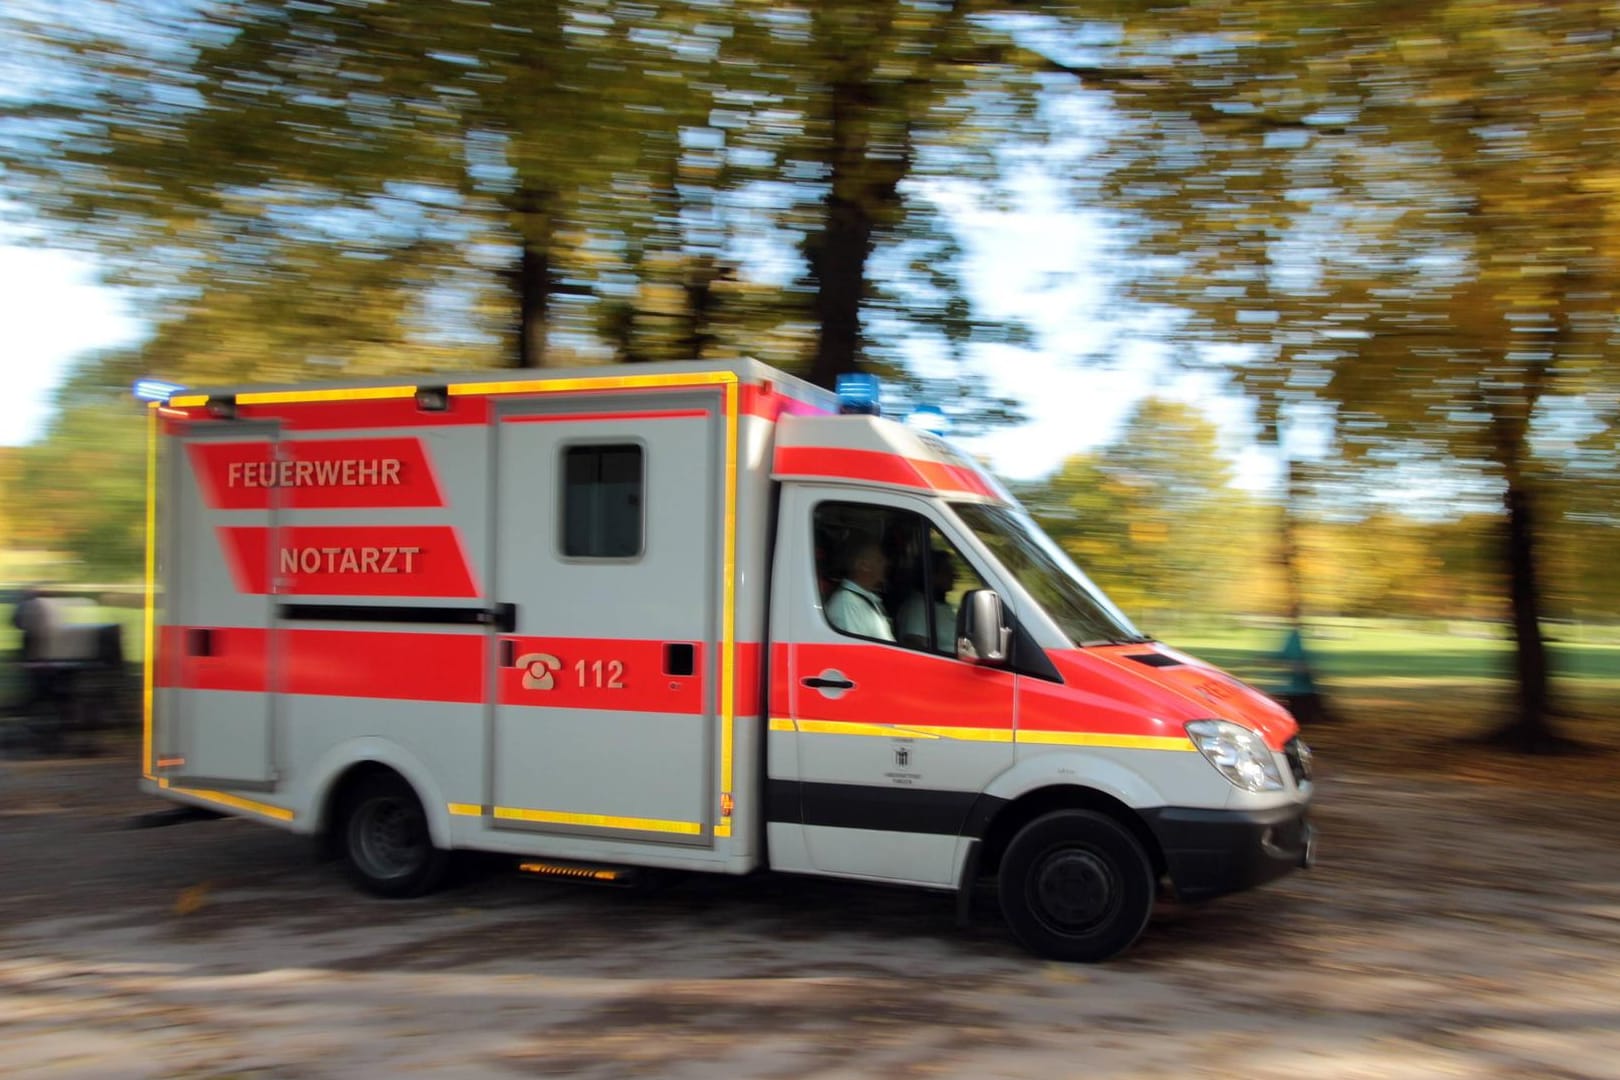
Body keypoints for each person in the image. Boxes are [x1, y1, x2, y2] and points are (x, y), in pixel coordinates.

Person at [824, 541, 894, 641]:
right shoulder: (848, 604)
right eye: (879, 560)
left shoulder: (860, 599)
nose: (886, 563)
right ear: (863, 565)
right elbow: (856, 653)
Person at [898, 549, 958, 653]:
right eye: (947, 571)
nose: (955, 575)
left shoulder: (938, 603)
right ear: (931, 576)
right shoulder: (917, 608)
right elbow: (916, 649)